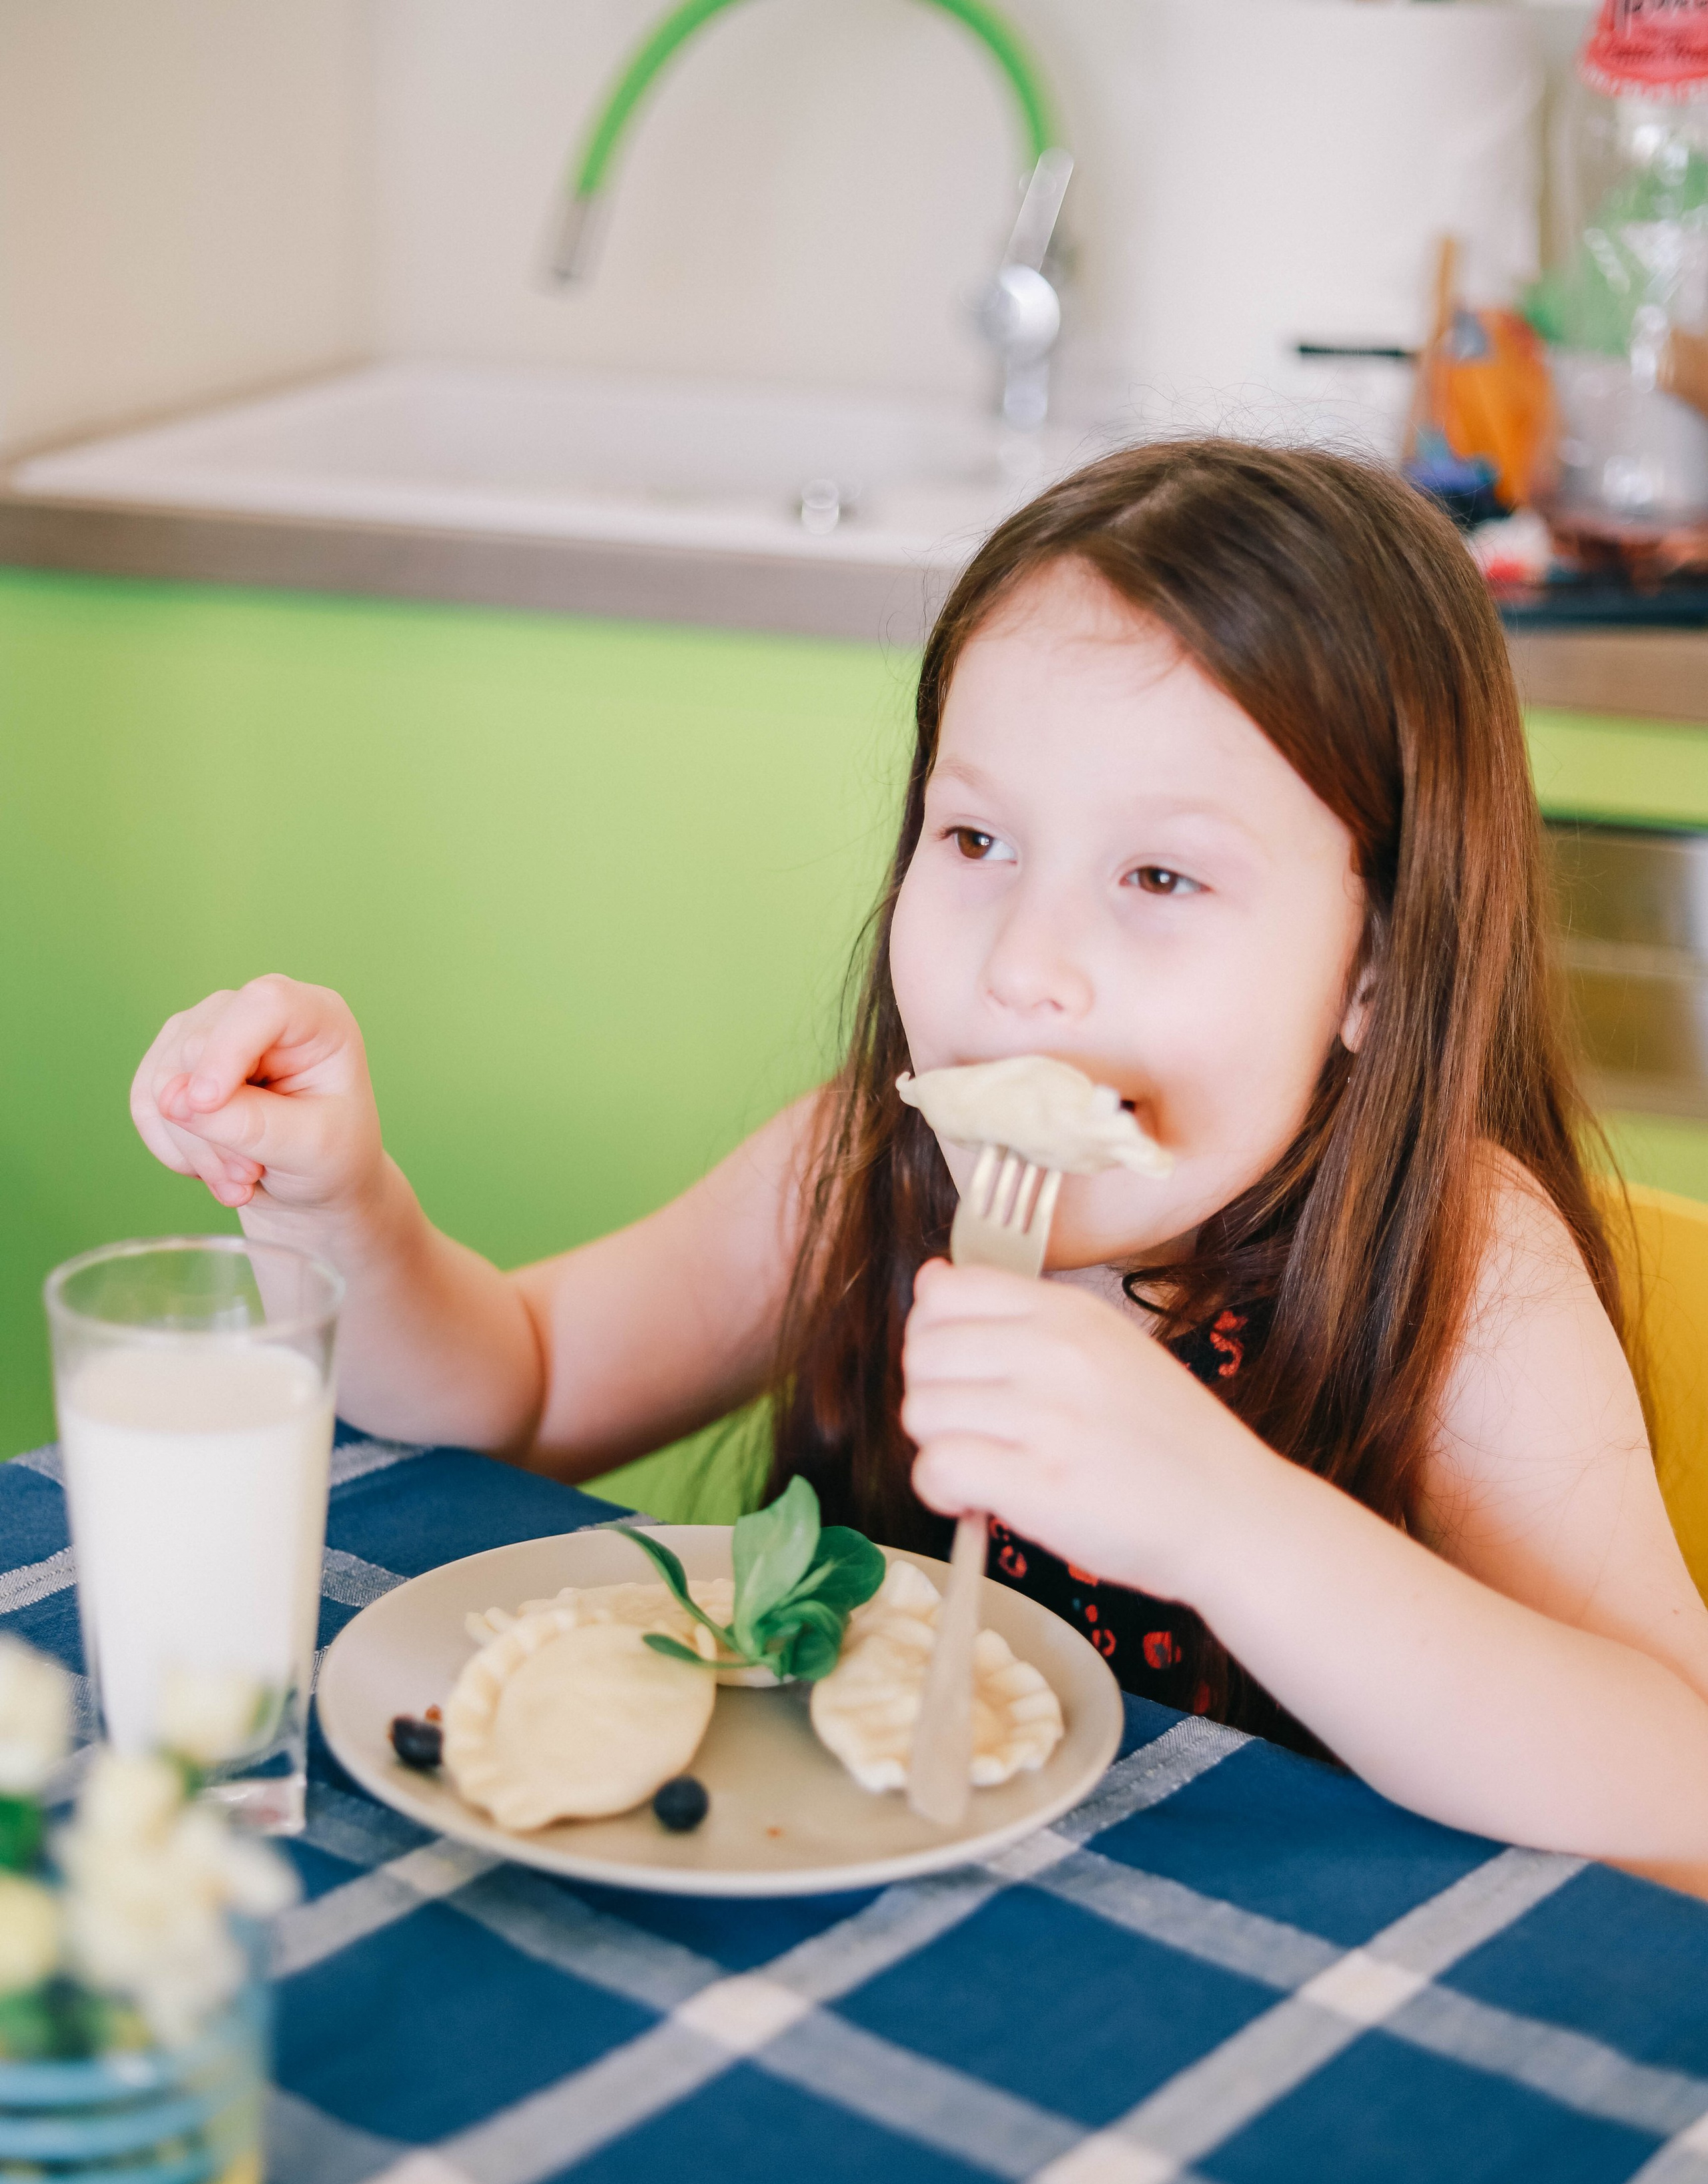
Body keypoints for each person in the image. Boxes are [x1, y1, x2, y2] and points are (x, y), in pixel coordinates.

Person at [129, 440, 1708, 1860]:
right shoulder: (866, 1165)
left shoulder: (1458, 1264)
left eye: (1159, 877)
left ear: (1373, 966)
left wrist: (1225, 1518)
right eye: (975, 840)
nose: (1023, 965)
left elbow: (1678, 1795)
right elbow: (519, 1396)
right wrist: (336, 1209)